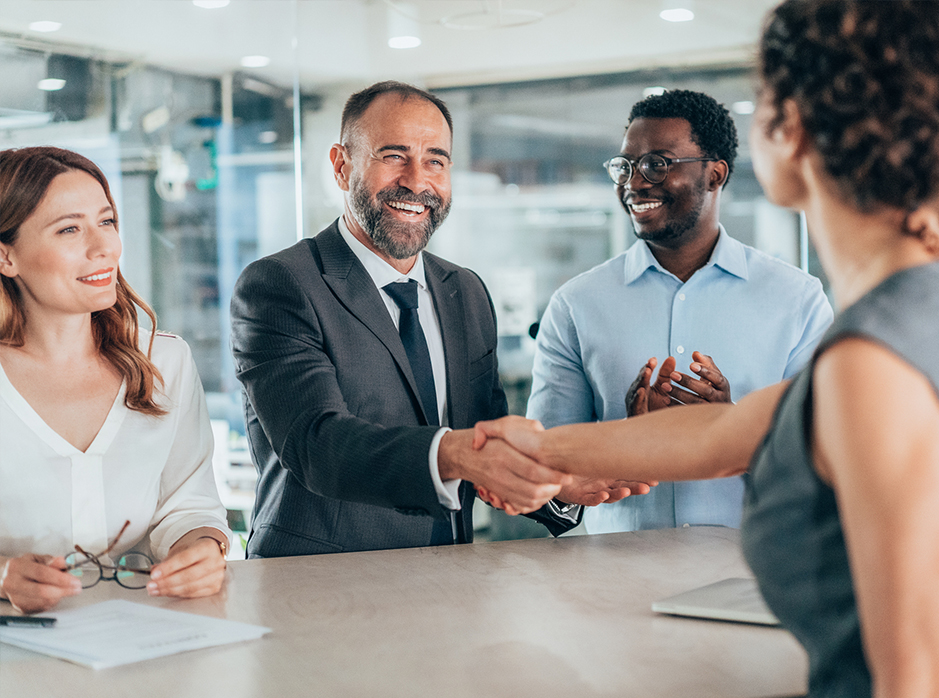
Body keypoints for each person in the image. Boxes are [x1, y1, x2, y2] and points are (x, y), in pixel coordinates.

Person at [477, 1, 939, 695]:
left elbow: (911, 668)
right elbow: (720, 437)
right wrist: (523, 450)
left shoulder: (869, 360)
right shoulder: (901, 321)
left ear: (787, 131)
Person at [231, 81, 635, 558]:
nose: (417, 181)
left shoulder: (465, 291)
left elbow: (483, 435)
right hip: (320, 578)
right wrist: (456, 454)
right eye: (393, 156)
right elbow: (318, 445)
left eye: (436, 161)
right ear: (341, 166)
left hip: (450, 573)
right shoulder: (280, 284)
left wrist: (555, 483)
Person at [527, 89, 832, 532]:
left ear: (714, 175)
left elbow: (826, 456)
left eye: (657, 164)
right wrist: (623, 438)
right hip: (613, 569)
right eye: (626, 166)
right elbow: (543, 470)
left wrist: (733, 428)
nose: (634, 183)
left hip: (751, 565)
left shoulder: (796, 299)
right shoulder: (577, 304)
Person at [0, 147, 232, 615]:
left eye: (106, 221)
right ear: (6, 256)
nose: (104, 246)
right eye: (69, 229)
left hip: (146, 634)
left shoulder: (165, 361)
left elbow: (190, 504)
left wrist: (203, 547)